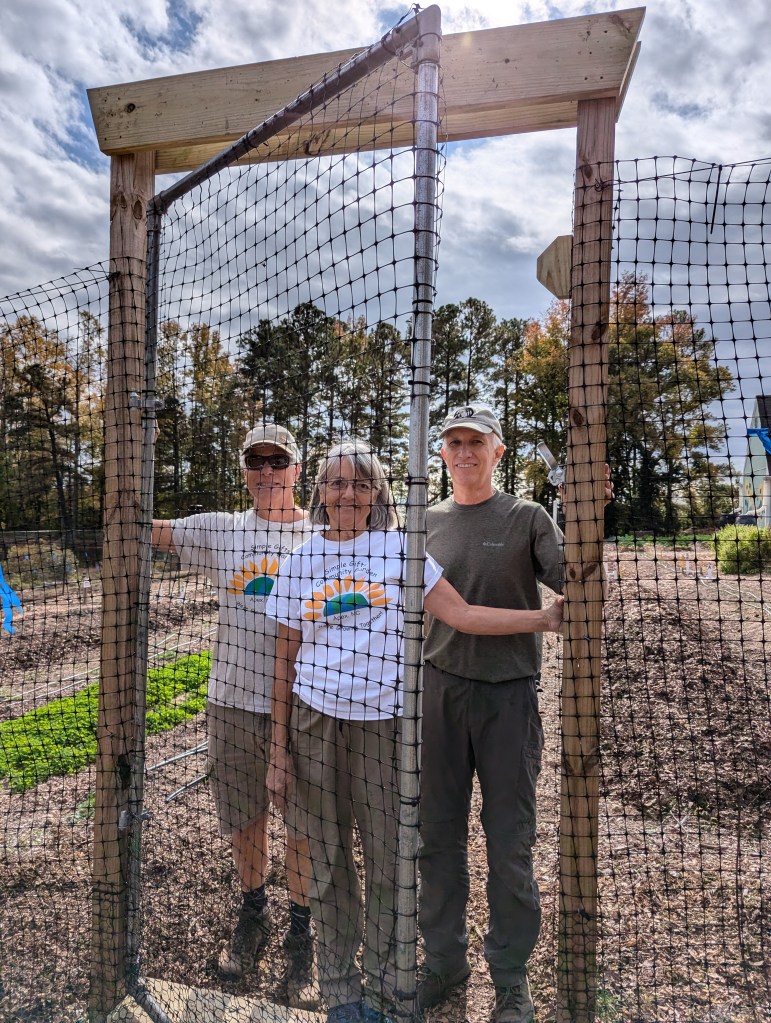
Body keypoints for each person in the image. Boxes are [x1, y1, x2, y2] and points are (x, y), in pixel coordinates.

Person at [265, 439, 563, 1023]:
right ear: (319, 491)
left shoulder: (402, 551)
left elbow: (462, 614)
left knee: (388, 864)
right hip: (314, 722)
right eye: (336, 482)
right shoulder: (299, 561)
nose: (347, 493)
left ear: (378, 494)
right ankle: (340, 990)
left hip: (386, 728)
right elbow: (283, 660)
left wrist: (542, 619)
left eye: (360, 483)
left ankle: (381, 987)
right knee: (326, 863)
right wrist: (279, 750)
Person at [417, 404, 611, 1023]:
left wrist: (590, 511)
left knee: (510, 842)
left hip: (509, 697)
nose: (464, 452)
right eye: (454, 442)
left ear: (498, 451)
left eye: (476, 442)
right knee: (436, 836)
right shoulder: (426, 521)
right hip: (439, 694)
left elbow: (574, 579)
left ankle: (510, 976)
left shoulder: (526, 517)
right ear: (442, 453)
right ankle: (443, 962)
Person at [151, 424, 319, 1009]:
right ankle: (255, 913)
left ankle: (303, 929)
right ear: (245, 469)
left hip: (307, 706)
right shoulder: (223, 530)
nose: (267, 471)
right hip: (233, 700)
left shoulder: (323, 534)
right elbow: (152, 533)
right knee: (244, 817)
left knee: (303, 821)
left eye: (279, 461)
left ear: (298, 470)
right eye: (256, 461)